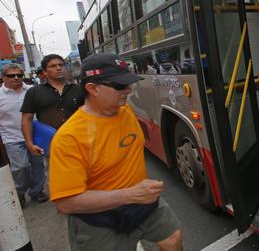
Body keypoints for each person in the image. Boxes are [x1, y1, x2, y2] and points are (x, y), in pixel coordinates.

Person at [49, 53, 182, 250]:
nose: (128, 90)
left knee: (172, 237)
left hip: (144, 203)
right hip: (99, 220)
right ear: (92, 88)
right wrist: (130, 195)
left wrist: (136, 195)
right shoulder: (69, 138)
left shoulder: (125, 112)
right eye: (119, 85)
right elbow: (66, 203)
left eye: (128, 83)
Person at [0, 63, 47, 207]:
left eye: (19, 75)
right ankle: (20, 191)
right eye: (11, 75)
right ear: (3, 78)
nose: (16, 78)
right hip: (12, 138)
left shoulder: (32, 91)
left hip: (35, 136)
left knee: (38, 165)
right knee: (21, 167)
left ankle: (37, 191)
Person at [21, 54, 84, 157]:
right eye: (53, 66)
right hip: (51, 143)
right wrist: (29, 143)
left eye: (61, 65)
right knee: (55, 172)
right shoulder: (34, 92)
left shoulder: (78, 89)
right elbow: (26, 119)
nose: (58, 68)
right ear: (45, 71)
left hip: (78, 140)